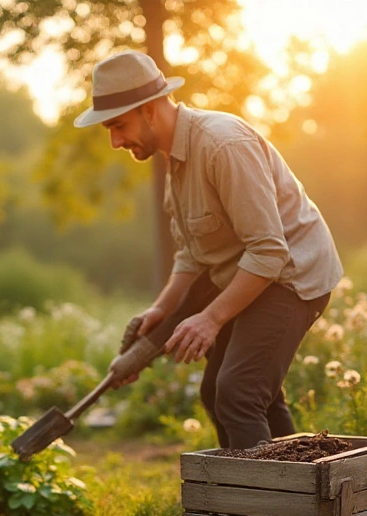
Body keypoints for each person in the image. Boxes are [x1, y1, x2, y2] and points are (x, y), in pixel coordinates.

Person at [75, 51, 343, 450]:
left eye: (118, 126)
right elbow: (192, 255)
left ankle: (264, 509)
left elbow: (270, 252)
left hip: (292, 276)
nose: (115, 141)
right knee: (222, 394)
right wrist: (161, 309)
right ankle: (301, 494)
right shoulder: (177, 162)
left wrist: (210, 319)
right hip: (250, 275)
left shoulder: (222, 144)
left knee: (237, 394)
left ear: (149, 110)